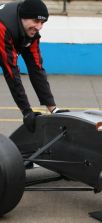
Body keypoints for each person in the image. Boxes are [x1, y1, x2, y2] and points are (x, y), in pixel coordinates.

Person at [0, 0, 68, 132]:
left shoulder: (32, 32)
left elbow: (36, 69)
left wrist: (53, 108)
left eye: (42, 23)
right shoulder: (3, 27)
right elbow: (11, 73)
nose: (39, 27)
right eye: (36, 21)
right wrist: (26, 111)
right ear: (22, 18)